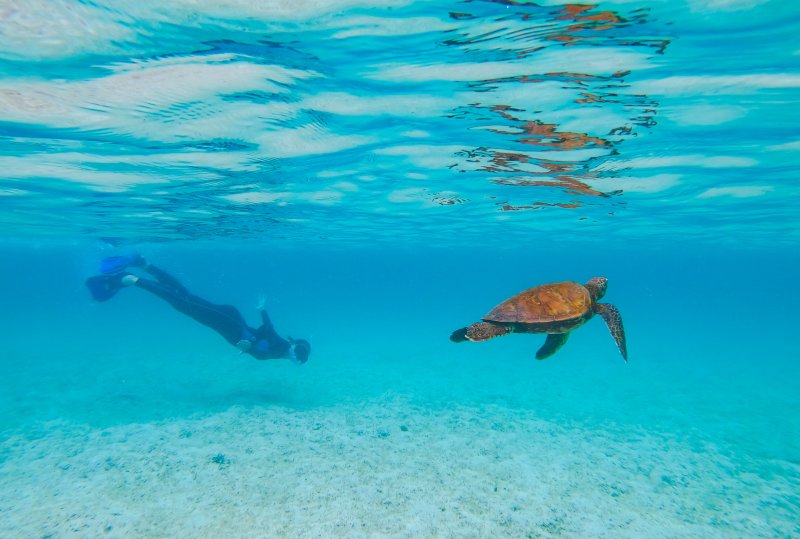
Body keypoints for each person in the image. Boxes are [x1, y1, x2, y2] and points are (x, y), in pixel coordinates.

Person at [85, 255, 310, 364]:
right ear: (295, 352)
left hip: (229, 320)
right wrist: (250, 342)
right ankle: (131, 280)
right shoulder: (281, 348)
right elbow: (266, 336)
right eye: (300, 357)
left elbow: (266, 332)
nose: (298, 360)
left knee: (186, 299)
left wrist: (260, 316)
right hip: (227, 322)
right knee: (183, 304)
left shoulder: (281, 349)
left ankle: (144, 264)